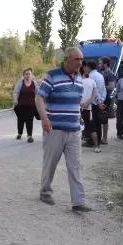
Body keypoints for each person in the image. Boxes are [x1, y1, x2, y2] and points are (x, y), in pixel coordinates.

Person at [35, 47, 91, 212]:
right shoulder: (52, 75)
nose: (80, 63)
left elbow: (74, 101)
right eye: (77, 59)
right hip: (55, 129)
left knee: (75, 165)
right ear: (66, 59)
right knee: (50, 163)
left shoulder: (80, 78)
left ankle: (78, 201)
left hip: (74, 130)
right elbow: (39, 98)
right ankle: (45, 192)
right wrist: (44, 118)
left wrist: (78, 115)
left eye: (81, 60)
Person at [83, 60, 107, 149]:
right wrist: (101, 101)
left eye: (85, 66)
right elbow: (103, 90)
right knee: (97, 123)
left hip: (92, 103)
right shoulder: (100, 75)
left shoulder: (91, 77)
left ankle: (91, 142)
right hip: (98, 101)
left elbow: (94, 91)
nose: (84, 68)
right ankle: (98, 140)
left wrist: (98, 102)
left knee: (91, 123)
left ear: (88, 67)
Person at [12, 67, 37, 143]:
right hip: (21, 106)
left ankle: (29, 136)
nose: (28, 75)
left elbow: (38, 93)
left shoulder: (34, 83)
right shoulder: (20, 83)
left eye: (29, 74)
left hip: (31, 106)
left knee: (30, 120)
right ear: (23, 75)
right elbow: (16, 92)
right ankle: (20, 133)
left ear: (31, 75)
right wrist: (15, 100)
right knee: (21, 120)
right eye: (26, 74)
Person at [80, 64, 99, 153]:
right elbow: (95, 94)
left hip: (79, 107)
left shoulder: (78, 82)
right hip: (88, 108)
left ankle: (73, 147)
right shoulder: (92, 81)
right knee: (92, 128)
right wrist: (88, 102)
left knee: (77, 127)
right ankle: (96, 146)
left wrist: (81, 103)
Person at [98, 57, 117, 144]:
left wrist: (99, 87)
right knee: (99, 118)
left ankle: (105, 138)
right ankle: (99, 137)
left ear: (105, 64)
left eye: (100, 63)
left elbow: (111, 87)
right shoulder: (101, 73)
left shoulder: (110, 74)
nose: (99, 65)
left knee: (104, 119)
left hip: (106, 98)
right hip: (100, 97)